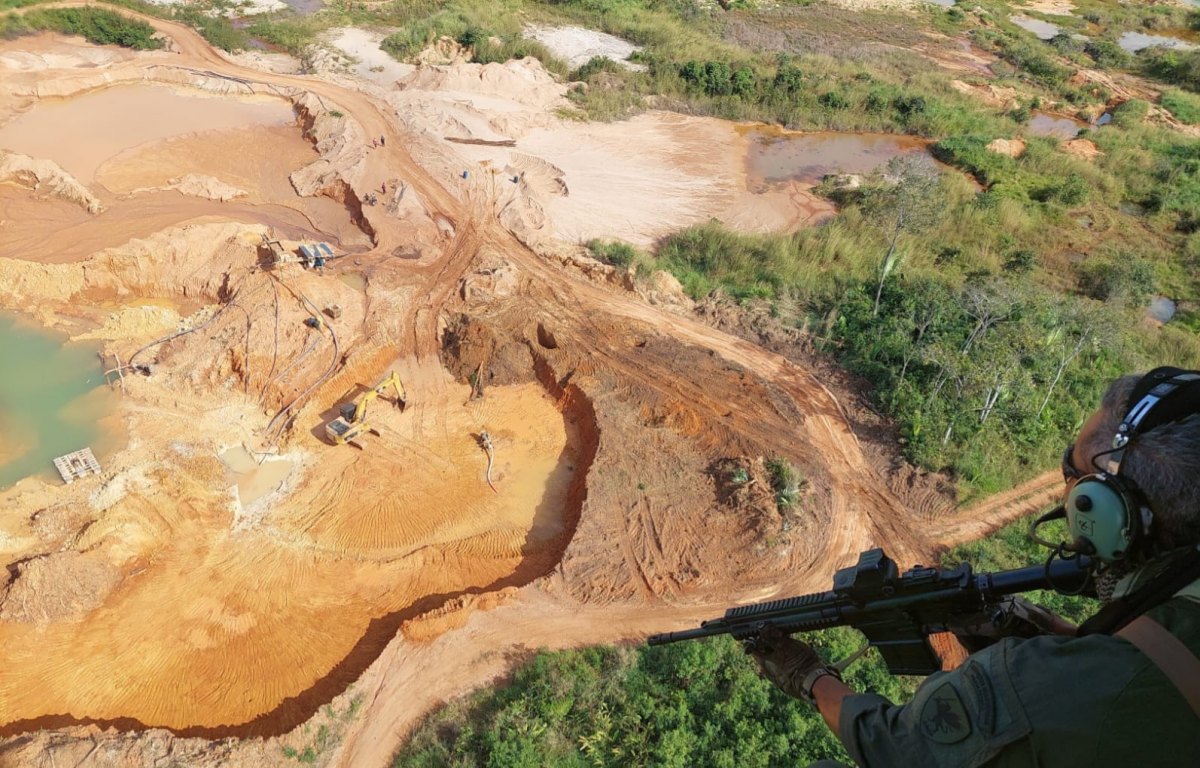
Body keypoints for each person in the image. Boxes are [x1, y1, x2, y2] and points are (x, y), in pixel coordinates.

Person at [752, 367, 1200, 766]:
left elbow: (896, 748)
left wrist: (810, 676)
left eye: (1073, 472)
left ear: (1104, 509)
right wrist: (1040, 628)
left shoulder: (1033, 688)